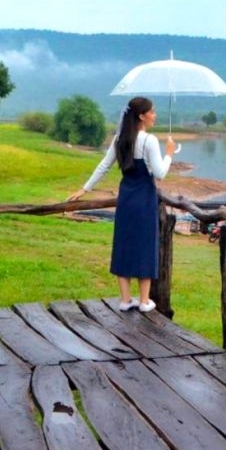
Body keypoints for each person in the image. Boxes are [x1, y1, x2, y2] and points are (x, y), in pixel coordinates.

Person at [68, 95, 177, 312]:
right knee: (146, 245)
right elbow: (160, 173)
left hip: (126, 197)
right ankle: (144, 301)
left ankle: (125, 300)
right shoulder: (150, 140)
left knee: (124, 244)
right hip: (145, 200)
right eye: (152, 112)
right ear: (141, 115)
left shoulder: (120, 138)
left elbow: (104, 166)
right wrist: (170, 154)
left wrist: (84, 188)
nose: (155, 115)